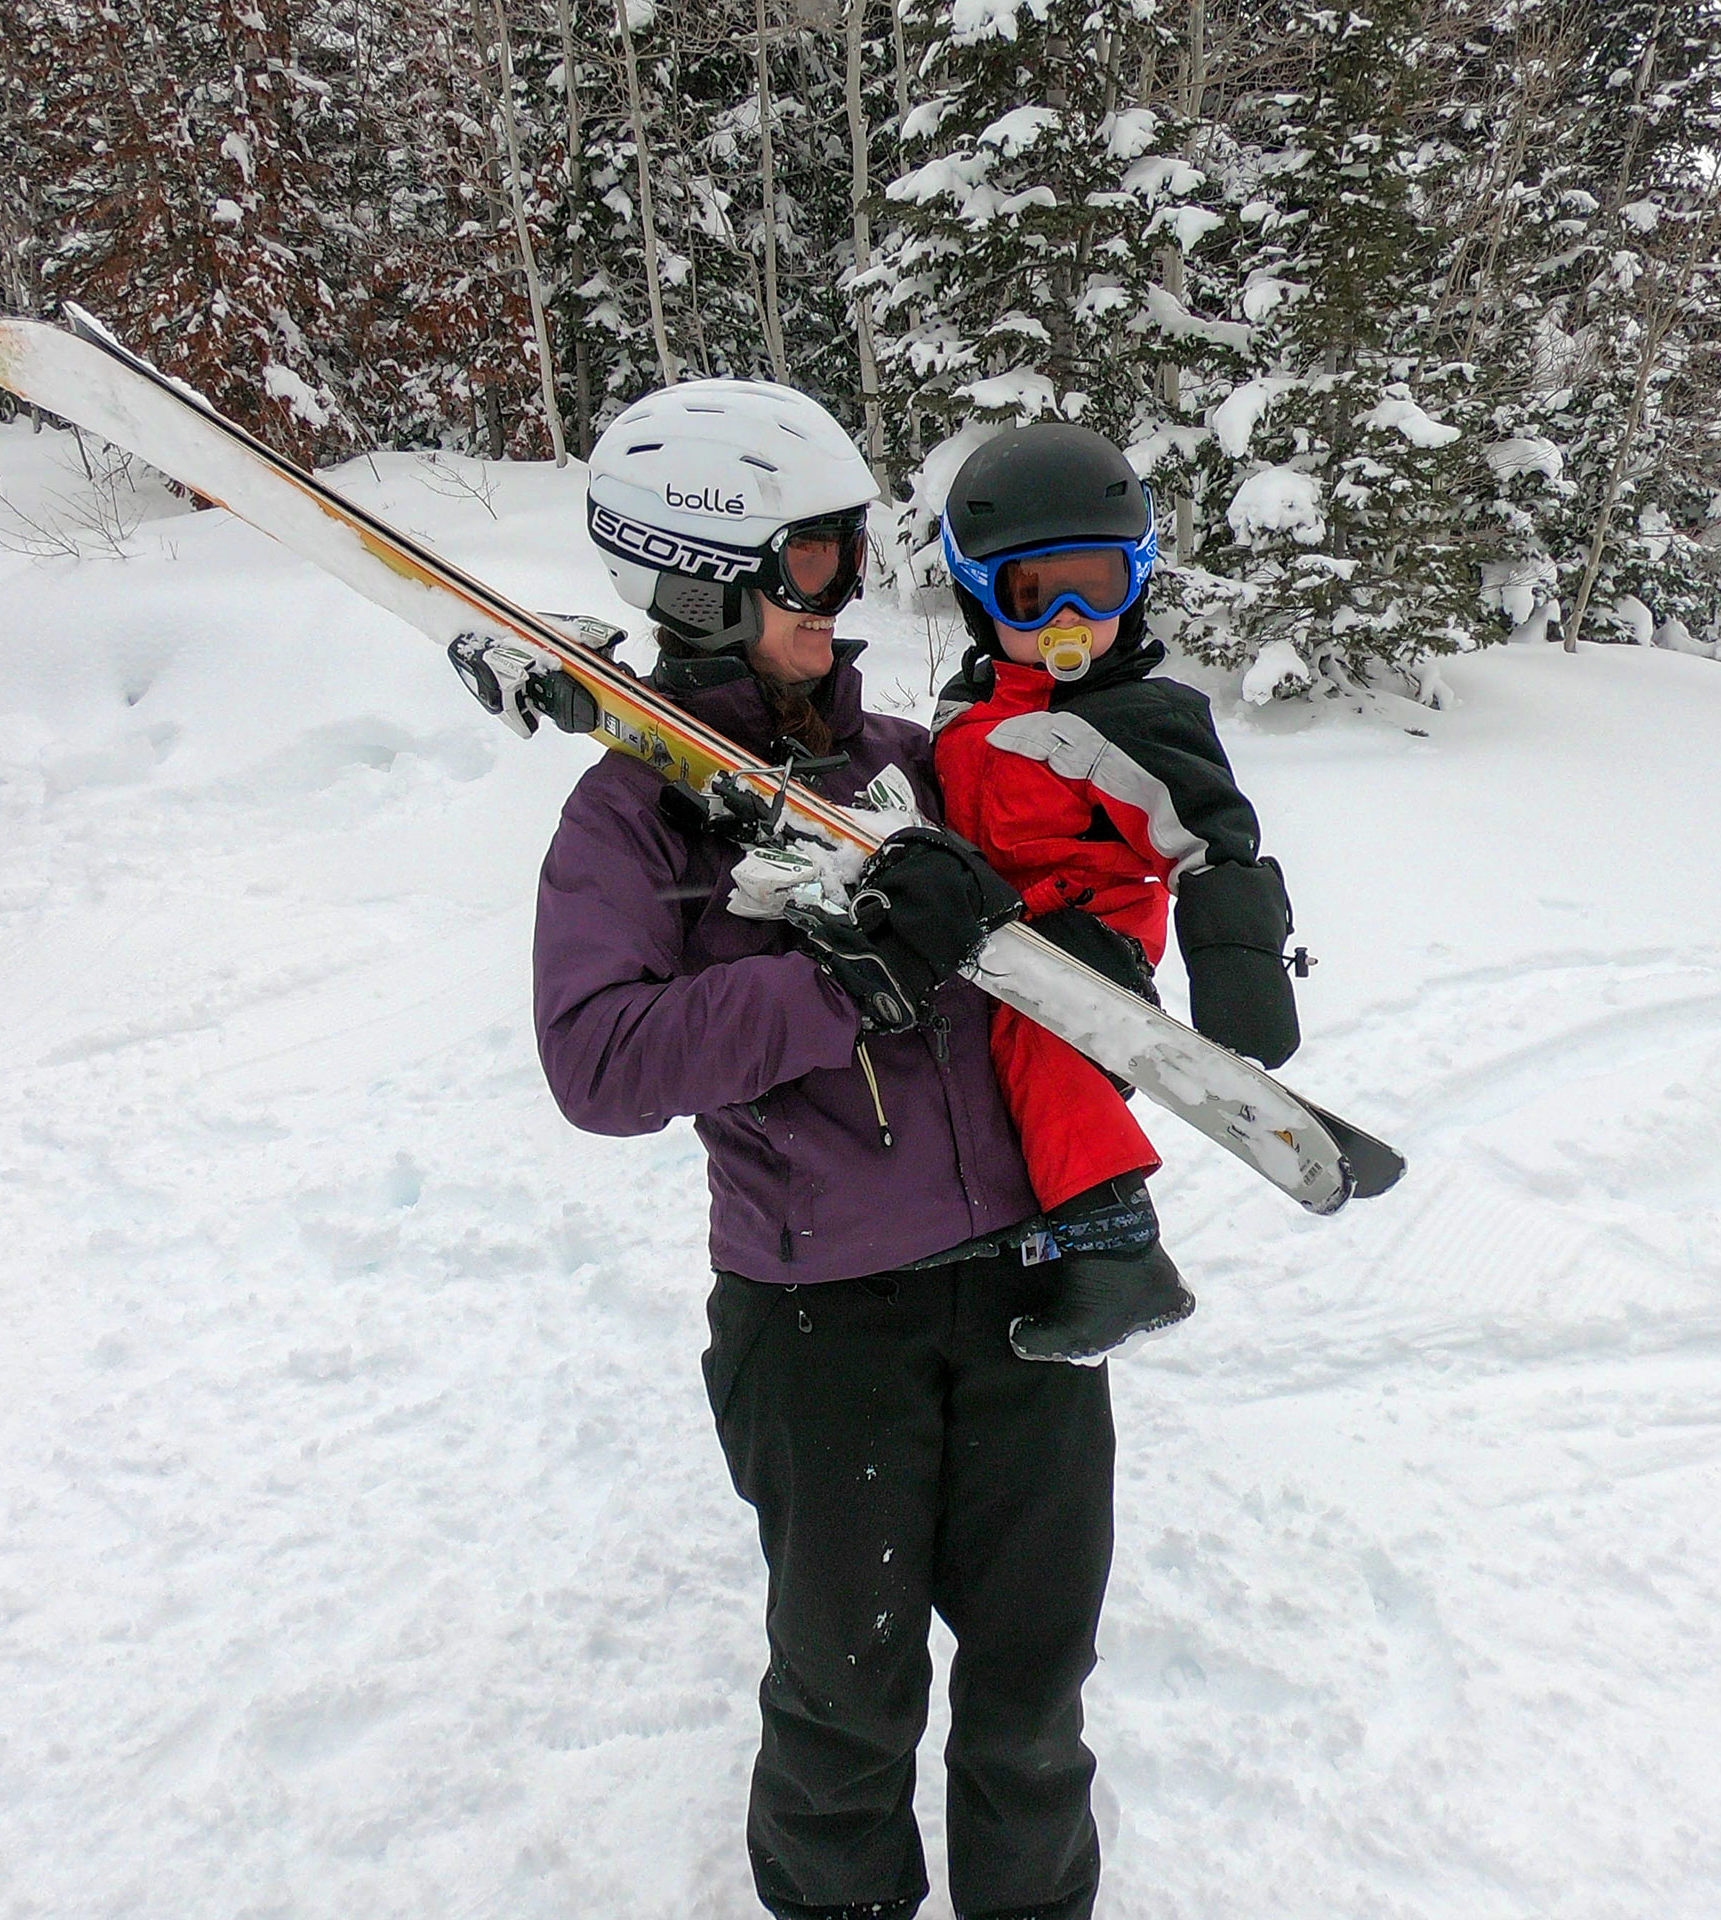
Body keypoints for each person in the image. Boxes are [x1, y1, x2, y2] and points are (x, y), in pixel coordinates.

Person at [531, 379, 1114, 1920]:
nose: (845, 596)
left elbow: (1057, 942)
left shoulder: (914, 761)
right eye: (812, 564)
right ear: (706, 579)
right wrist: (834, 982)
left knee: (1035, 1691)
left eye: (852, 555)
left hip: (1024, 1299)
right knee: (847, 1706)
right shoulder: (633, 822)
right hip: (819, 1329)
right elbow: (596, 1062)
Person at [931, 422, 1305, 1364]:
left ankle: (1120, 1250)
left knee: (1040, 1037)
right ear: (983, 596)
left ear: (1134, 583)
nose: (1065, 617)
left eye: (1093, 587)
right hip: (991, 924)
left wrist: (1241, 963)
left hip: (1086, 935)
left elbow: (1216, 838)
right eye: (1031, 589)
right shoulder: (971, 709)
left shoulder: (1134, 714)